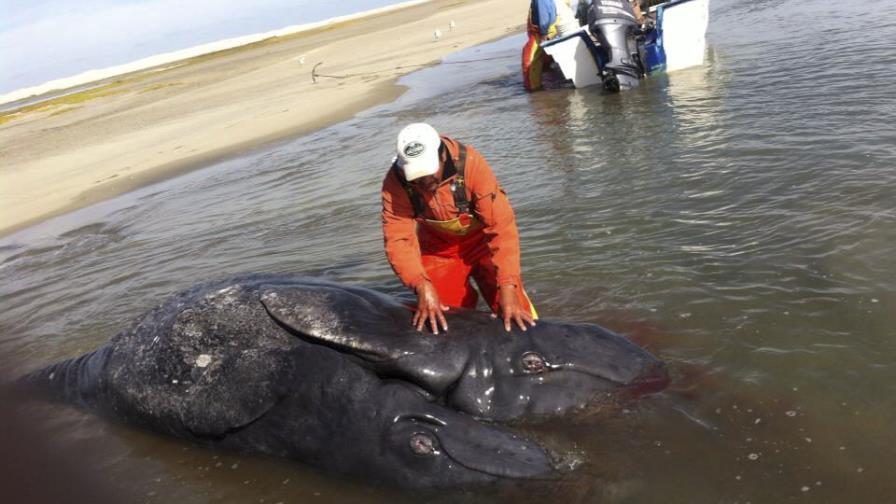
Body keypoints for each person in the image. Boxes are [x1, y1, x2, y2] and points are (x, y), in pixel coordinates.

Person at [381, 123, 538, 334]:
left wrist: (508, 286)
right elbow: (398, 239)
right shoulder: (395, 182)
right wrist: (421, 284)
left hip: (484, 244)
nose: (424, 181)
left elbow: (501, 228)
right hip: (440, 251)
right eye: (415, 176)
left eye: (428, 172)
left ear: (442, 156)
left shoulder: (470, 164)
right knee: (441, 321)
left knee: (519, 315)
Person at [522, 0, 580, 91]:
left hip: (540, 32)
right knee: (546, 58)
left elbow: (543, 14)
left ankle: (533, 88)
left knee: (530, 60)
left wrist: (543, 33)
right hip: (554, 27)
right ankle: (554, 79)